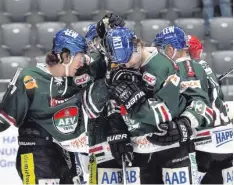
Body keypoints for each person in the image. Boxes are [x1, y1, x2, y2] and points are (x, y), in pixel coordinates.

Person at [97, 26, 213, 184]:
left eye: (127, 58)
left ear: (137, 45)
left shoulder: (163, 65)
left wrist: (184, 123)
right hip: (138, 153)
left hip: (173, 150)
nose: (125, 65)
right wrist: (117, 129)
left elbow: (188, 105)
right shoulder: (121, 66)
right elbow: (115, 102)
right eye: (120, 61)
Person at [0, 28, 107, 184]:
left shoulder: (76, 77)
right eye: (79, 57)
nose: (82, 62)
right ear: (65, 56)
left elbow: (103, 62)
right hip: (37, 153)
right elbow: (4, 119)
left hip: (67, 154)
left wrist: (104, 35)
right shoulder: (29, 78)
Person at [188, 35, 233, 185]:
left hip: (205, 139)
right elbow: (217, 95)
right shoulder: (205, 66)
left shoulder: (187, 70)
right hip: (226, 138)